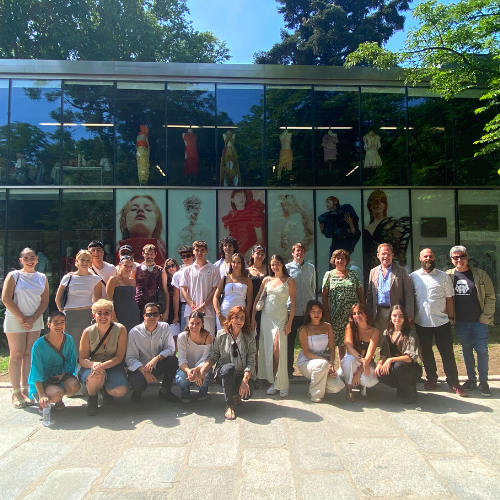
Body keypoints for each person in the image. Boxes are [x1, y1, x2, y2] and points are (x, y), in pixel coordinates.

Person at [410, 248, 466, 397]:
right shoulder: (413, 277)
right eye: (425, 256)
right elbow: (410, 300)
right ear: (420, 259)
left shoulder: (443, 277)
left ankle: (453, 382)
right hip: (421, 322)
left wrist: (451, 317)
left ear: (434, 258)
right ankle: (431, 377)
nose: (428, 258)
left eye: (431, 256)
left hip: (442, 321)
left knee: (447, 353)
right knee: (426, 353)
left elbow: (449, 299)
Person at [2, 248, 49, 407]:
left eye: (32, 257)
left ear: (37, 259)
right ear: (21, 260)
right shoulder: (14, 275)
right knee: (16, 354)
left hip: (35, 319)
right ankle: (16, 393)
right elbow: (6, 299)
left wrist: (33, 318)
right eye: (26, 258)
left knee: (29, 354)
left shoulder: (42, 277)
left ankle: (26, 389)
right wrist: (22, 318)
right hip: (16, 319)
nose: (30, 260)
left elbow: (44, 301)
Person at [446, 245, 496, 396]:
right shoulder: (448, 276)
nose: (459, 260)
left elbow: (490, 297)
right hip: (461, 322)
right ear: (452, 260)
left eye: (462, 256)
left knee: (482, 350)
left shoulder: (480, 274)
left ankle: (484, 381)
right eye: (456, 257)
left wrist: (485, 318)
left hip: (479, 321)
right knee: (466, 350)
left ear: (467, 257)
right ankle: (471, 379)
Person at [198, 306, 256, 420]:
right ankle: (229, 404)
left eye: (242, 318)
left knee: (248, 393)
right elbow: (213, 356)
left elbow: (251, 360)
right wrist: (202, 370)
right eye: (236, 317)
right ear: (230, 319)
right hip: (224, 372)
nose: (239, 321)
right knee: (229, 368)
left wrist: (245, 380)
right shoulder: (221, 335)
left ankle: (235, 393)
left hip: (241, 374)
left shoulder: (249, 336)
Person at [252, 254, 296, 398]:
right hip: (266, 318)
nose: (274, 266)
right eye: (272, 264)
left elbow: (294, 304)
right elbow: (257, 299)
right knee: (269, 350)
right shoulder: (266, 280)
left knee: (278, 350)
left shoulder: (289, 281)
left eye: (277, 263)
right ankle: (274, 381)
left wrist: (290, 323)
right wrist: (253, 318)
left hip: (282, 318)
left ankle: (283, 383)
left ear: (283, 264)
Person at [78, 299, 128, 416]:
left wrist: (103, 365)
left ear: (111, 314)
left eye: (107, 313)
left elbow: (119, 356)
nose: (103, 316)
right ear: (94, 315)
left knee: (120, 391)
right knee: (97, 374)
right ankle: (92, 398)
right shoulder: (88, 332)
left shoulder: (120, 329)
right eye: (99, 313)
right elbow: (82, 359)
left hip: (113, 365)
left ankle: (106, 390)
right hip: (91, 368)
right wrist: (94, 365)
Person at [126, 303, 179, 404]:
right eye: (149, 314)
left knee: (173, 361)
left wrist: (157, 358)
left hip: (157, 364)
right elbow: (130, 358)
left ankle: (164, 391)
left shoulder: (165, 327)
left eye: (155, 314)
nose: (152, 317)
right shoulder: (134, 332)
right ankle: (137, 391)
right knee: (137, 383)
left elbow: (171, 349)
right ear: (144, 316)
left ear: (159, 316)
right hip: (140, 368)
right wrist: (144, 371)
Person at [28, 311, 81, 410]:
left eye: (62, 322)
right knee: (56, 394)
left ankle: (58, 397)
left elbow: (70, 361)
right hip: (44, 379)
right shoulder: (38, 345)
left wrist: (62, 375)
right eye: (55, 322)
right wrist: (42, 394)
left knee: (74, 386)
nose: (59, 325)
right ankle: (50, 397)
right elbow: (36, 370)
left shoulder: (68, 339)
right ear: (48, 324)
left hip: (61, 374)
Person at [56, 249, 102, 359]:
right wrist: (62, 314)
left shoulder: (95, 279)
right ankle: (73, 374)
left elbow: (98, 300)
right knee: (73, 346)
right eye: (82, 260)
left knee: (88, 345)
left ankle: (85, 372)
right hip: (70, 315)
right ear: (77, 261)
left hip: (87, 314)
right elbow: (58, 298)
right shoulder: (68, 277)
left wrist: (96, 316)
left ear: (91, 263)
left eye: (88, 260)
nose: (85, 262)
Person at [296, 300, 344, 402]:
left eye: (319, 311)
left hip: (325, 361)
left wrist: (331, 364)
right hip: (307, 362)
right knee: (322, 364)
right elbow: (306, 352)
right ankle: (315, 394)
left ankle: (317, 386)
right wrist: (326, 362)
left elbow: (332, 348)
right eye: (313, 311)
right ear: (308, 313)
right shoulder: (304, 329)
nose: (316, 314)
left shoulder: (327, 326)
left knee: (337, 387)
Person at [321, 249, 364, 361]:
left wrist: (363, 310)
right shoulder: (329, 275)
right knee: (340, 340)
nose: (340, 260)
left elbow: (360, 292)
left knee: (354, 337)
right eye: (337, 258)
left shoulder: (353, 274)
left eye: (342, 258)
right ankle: (341, 364)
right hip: (336, 313)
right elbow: (324, 295)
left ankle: (354, 362)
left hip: (353, 314)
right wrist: (326, 313)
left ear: (346, 261)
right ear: (334, 260)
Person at [375, 305, 422, 404]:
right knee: (380, 373)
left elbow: (410, 357)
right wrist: (380, 364)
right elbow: (384, 353)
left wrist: (390, 360)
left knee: (399, 365)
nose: (397, 318)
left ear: (404, 318)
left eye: (401, 316)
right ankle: (402, 386)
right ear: (390, 318)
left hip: (410, 368)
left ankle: (411, 393)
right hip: (395, 367)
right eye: (394, 315)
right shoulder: (387, 333)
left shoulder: (411, 333)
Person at [366, 243, 414, 337]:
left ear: (392, 255)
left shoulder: (402, 271)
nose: (386, 256)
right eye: (383, 254)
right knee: (382, 340)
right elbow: (370, 295)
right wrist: (369, 314)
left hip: (396, 312)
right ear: (378, 255)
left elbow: (408, 294)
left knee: (397, 339)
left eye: (388, 254)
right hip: (378, 312)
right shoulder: (373, 272)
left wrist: (408, 315)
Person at [363, 189, 411, 282]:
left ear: (385, 205)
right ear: (370, 205)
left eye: (381, 201)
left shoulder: (392, 223)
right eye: (375, 201)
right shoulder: (365, 228)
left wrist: (402, 268)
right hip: (368, 268)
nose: (378, 204)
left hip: (388, 268)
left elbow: (401, 248)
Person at [285, 242, 316, 378]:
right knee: (289, 342)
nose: (299, 253)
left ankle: (310, 368)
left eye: (302, 250)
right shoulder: (287, 268)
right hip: (292, 311)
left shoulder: (311, 268)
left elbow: (313, 287)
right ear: (293, 253)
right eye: (297, 250)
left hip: (307, 312)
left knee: (310, 342)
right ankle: (288, 370)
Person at [180, 240, 220, 336]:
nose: (199, 253)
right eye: (197, 250)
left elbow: (215, 290)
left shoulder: (214, 269)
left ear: (206, 251)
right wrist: (193, 306)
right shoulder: (187, 270)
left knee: (208, 342)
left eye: (202, 250)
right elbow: (183, 290)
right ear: (193, 251)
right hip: (191, 312)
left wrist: (203, 306)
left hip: (208, 312)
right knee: (191, 342)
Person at [341, 303, 379, 402]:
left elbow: (369, 355)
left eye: (360, 313)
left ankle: (361, 384)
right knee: (350, 359)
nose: (357, 316)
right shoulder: (350, 327)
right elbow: (349, 347)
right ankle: (349, 388)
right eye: (354, 313)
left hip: (368, 361)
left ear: (366, 314)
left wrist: (359, 372)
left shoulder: (374, 331)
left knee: (367, 380)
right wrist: (360, 359)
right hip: (354, 359)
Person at [117, 194, 166, 266]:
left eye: (148, 209)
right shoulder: (116, 249)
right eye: (134, 209)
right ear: (124, 221)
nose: (140, 210)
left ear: (157, 221)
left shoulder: (164, 251)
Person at [175, 311, 214, 402]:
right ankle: (185, 391)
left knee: (204, 374)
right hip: (187, 368)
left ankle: (203, 390)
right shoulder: (182, 337)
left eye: (198, 323)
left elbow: (206, 357)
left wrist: (198, 369)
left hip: (202, 367)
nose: (194, 326)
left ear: (202, 324)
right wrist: (189, 371)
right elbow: (181, 360)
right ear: (188, 323)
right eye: (192, 323)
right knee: (181, 379)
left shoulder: (208, 337)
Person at [221, 190, 266, 260]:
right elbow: (228, 240)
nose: (241, 198)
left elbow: (260, 238)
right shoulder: (229, 218)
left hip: (249, 254)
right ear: (232, 199)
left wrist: (252, 251)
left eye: (244, 196)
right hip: (233, 255)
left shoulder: (254, 215)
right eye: (238, 196)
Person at [214, 252, 253, 330]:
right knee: (223, 339)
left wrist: (245, 315)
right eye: (234, 262)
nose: (236, 264)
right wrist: (219, 314)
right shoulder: (225, 278)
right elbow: (215, 297)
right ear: (231, 263)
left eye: (239, 262)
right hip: (224, 313)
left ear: (242, 264)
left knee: (238, 340)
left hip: (240, 315)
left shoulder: (247, 279)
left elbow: (249, 300)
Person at [106, 255, 140, 333]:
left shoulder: (132, 280)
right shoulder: (113, 279)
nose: (128, 268)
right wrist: (113, 317)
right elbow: (108, 299)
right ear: (120, 265)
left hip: (133, 313)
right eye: (126, 266)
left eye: (131, 266)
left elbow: (132, 297)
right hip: (119, 313)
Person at [135, 244, 168, 317]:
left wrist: (166, 312)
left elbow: (165, 292)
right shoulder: (136, 269)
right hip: (138, 305)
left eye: (152, 254)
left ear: (155, 254)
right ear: (143, 254)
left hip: (154, 307)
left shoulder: (160, 271)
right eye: (147, 254)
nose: (149, 256)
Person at [172, 245, 195, 331]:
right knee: (185, 333)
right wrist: (176, 315)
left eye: (188, 255)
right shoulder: (177, 274)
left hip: (199, 303)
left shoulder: (200, 270)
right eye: (183, 256)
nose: (186, 258)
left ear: (193, 256)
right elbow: (176, 296)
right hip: (184, 306)